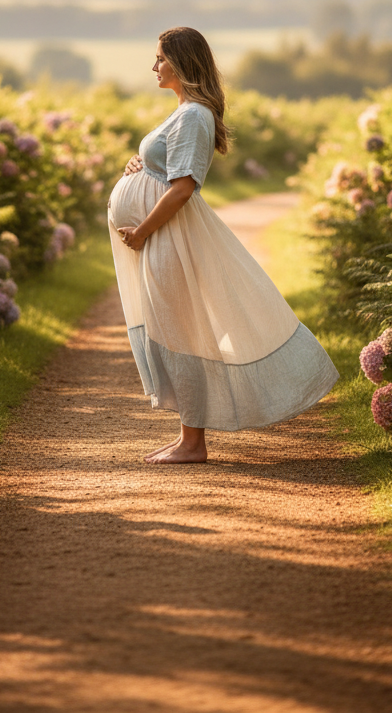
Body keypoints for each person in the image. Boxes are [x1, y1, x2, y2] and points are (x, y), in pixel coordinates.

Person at [107, 26, 339, 464]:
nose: (154, 66)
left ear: (182, 61)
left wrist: (141, 231)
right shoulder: (183, 113)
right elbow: (165, 172)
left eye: (160, 57)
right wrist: (138, 165)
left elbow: (181, 188)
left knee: (181, 332)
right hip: (163, 236)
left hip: (169, 236)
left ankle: (193, 444)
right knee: (172, 330)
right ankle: (187, 438)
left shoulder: (195, 115)